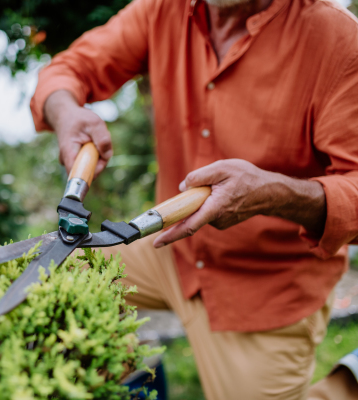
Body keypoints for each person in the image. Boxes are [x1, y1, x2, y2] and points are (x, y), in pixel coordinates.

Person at [30, 0, 358, 398]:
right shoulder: (161, 10)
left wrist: (272, 193)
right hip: (169, 247)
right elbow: (68, 69)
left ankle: (349, 380)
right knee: (53, 282)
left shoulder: (338, 40)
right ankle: (140, 381)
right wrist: (65, 113)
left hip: (265, 284)